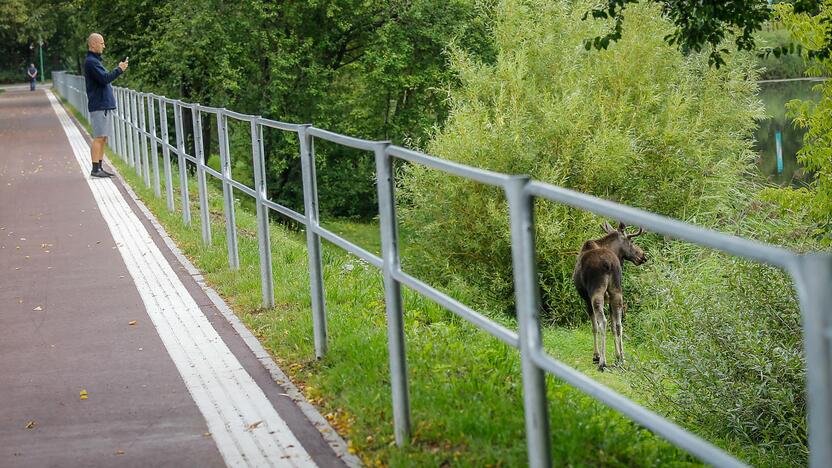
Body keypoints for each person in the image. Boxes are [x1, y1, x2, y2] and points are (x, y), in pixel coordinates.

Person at [84, 33, 128, 178]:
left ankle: (100, 167)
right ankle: (95, 169)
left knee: (103, 137)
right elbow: (104, 79)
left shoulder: (95, 61)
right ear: (93, 44)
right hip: (99, 104)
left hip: (104, 104)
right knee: (99, 136)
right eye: (102, 43)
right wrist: (119, 70)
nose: (104, 46)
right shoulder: (91, 62)